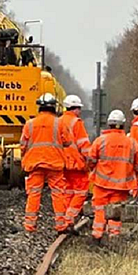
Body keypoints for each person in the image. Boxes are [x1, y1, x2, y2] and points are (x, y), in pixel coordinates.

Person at [19, 93, 72, 233]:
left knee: (34, 193)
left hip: (35, 164)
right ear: (53, 107)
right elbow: (68, 142)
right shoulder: (59, 123)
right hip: (54, 163)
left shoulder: (29, 124)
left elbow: (22, 145)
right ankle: (60, 224)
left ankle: (30, 225)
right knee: (58, 193)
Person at [88, 110, 138, 240]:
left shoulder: (100, 141)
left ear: (109, 124)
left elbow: (90, 160)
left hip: (101, 183)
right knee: (116, 212)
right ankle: (113, 236)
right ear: (123, 124)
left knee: (100, 210)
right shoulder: (131, 143)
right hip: (121, 185)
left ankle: (97, 234)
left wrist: (94, 169)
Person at [60, 95, 92, 228]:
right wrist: (90, 161)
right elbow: (83, 145)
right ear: (75, 109)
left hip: (62, 163)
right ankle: (69, 218)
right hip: (75, 163)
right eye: (79, 109)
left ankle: (64, 218)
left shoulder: (59, 121)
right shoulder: (76, 123)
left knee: (67, 191)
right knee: (80, 191)